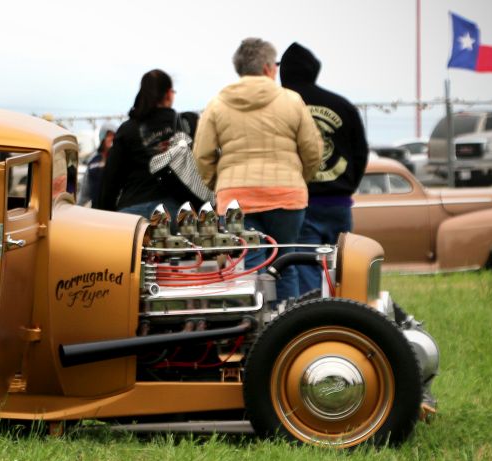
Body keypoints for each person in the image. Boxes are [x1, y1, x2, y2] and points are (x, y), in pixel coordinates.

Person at [194, 38, 323, 301]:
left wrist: (219, 185)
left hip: (236, 200)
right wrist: (300, 179)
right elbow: (313, 151)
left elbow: (202, 154)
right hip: (287, 196)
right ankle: (287, 331)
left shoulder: (217, 103)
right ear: (267, 68)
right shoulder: (292, 100)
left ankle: (250, 332)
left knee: (247, 267)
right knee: (286, 265)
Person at [280, 42, 369, 294]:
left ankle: (314, 323)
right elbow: (361, 152)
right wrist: (347, 185)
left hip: (302, 203)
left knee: (306, 270)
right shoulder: (342, 105)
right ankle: (345, 318)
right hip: (339, 203)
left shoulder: (281, 106)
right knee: (342, 270)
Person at [95, 69, 206, 216]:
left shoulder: (127, 129)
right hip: (178, 214)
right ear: (168, 94)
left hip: (132, 213)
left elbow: (110, 182)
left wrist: (105, 217)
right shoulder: (188, 123)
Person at [79, 126, 114, 206]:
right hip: (96, 209)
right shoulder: (94, 160)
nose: (111, 138)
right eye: (108, 135)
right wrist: (79, 206)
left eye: (113, 135)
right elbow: (85, 188)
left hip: (114, 210)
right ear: (102, 137)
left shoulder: (118, 159)